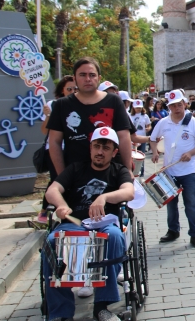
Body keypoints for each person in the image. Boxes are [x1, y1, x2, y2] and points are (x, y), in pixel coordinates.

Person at [43, 126, 134, 321]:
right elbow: (52, 191)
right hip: (74, 223)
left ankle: (101, 306)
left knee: (115, 236)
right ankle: (61, 312)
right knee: (51, 242)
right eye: (97, 146)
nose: (100, 152)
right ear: (90, 148)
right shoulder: (75, 168)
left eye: (106, 148)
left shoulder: (118, 170)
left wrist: (104, 197)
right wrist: (61, 205)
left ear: (114, 152)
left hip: (104, 223)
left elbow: (129, 192)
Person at [47, 57, 133, 179]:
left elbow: (124, 137)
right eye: (82, 75)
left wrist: (128, 169)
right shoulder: (62, 105)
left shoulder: (114, 101)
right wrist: (62, 176)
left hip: (110, 175)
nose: (87, 79)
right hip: (75, 175)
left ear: (99, 78)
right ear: (74, 78)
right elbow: (55, 142)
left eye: (92, 75)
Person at [150, 90, 195, 247]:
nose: (176, 108)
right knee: (171, 204)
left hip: (189, 171)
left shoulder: (194, 123)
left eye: (179, 105)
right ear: (169, 107)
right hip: (170, 171)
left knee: (191, 204)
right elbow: (153, 139)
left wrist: (190, 153)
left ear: (185, 104)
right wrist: (155, 152)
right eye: (173, 106)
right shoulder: (163, 123)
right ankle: (173, 230)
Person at [38, 75, 77, 223]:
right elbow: (44, 131)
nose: (72, 91)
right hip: (55, 149)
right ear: (62, 90)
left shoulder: (81, 104)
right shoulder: (53, 105)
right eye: (69, 89)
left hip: (73, 147)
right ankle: (45, 211)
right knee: (57, 179)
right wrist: (48, 116)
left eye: (75, 88)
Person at [130, 99, 151, 177]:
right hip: (133, 139)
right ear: (133, 107)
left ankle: (141, 172)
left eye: (139, 107)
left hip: (142, 138)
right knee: (133, 156)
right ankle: (133, 171)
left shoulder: (145, 116)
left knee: (141, 155)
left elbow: (149, 125)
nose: (138, 109)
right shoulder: (130, 116)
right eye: (137, 108)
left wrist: (148, 128)